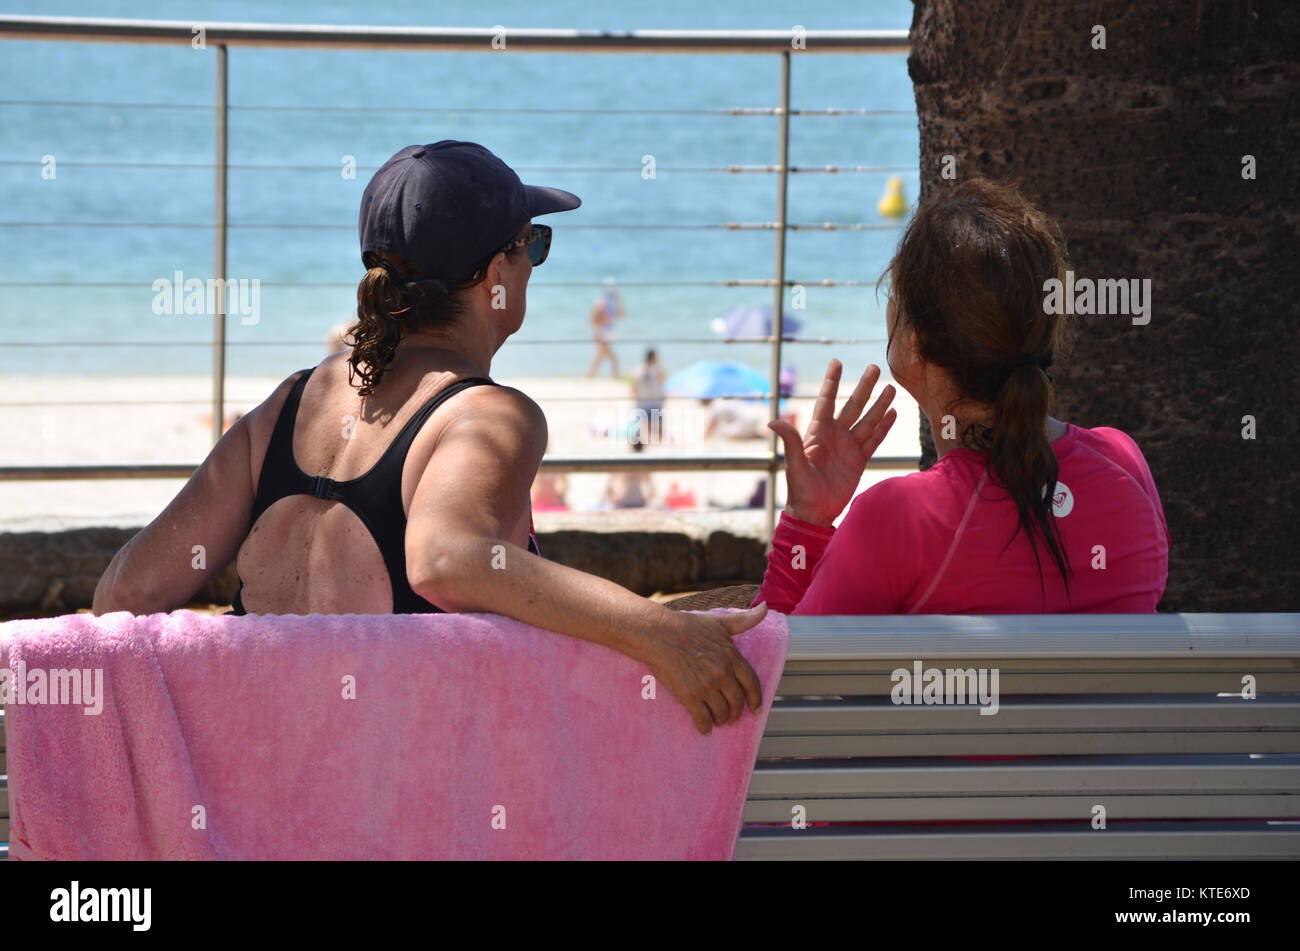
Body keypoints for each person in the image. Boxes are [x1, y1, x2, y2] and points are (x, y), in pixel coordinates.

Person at [92, 140, 764, 735]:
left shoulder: (290, 403)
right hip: (400, 806)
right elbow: (445, 560)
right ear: (496, 276)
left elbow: (123, 596)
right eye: (533, 244)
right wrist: (656, 630)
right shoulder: (488, 414)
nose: (534, 263)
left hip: (252, 790)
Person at [755, 178, 1170, 614]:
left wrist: (807, 521)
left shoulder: (897, 522)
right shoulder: (1125, 465)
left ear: (915, 341)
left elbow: (774, 665)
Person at [586, 277, 623, 377]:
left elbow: (621, 315)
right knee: (613, 358)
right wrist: (604, 321)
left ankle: (589, 377)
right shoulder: (600, 303)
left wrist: (618, 300)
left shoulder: (611, 303)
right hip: (600, 334)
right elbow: (592, 320)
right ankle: (616, 377)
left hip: (605, 334)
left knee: (599, 358)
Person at [630, 348, 666, 445]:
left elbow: (633, 385)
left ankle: (653, 441)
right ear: (653, 357)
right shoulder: (657, 369)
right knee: (656, 423)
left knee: (650, 424)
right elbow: (664, 379)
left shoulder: (639, 369)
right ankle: (659, 441)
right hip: (654, 401)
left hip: (644, 402)